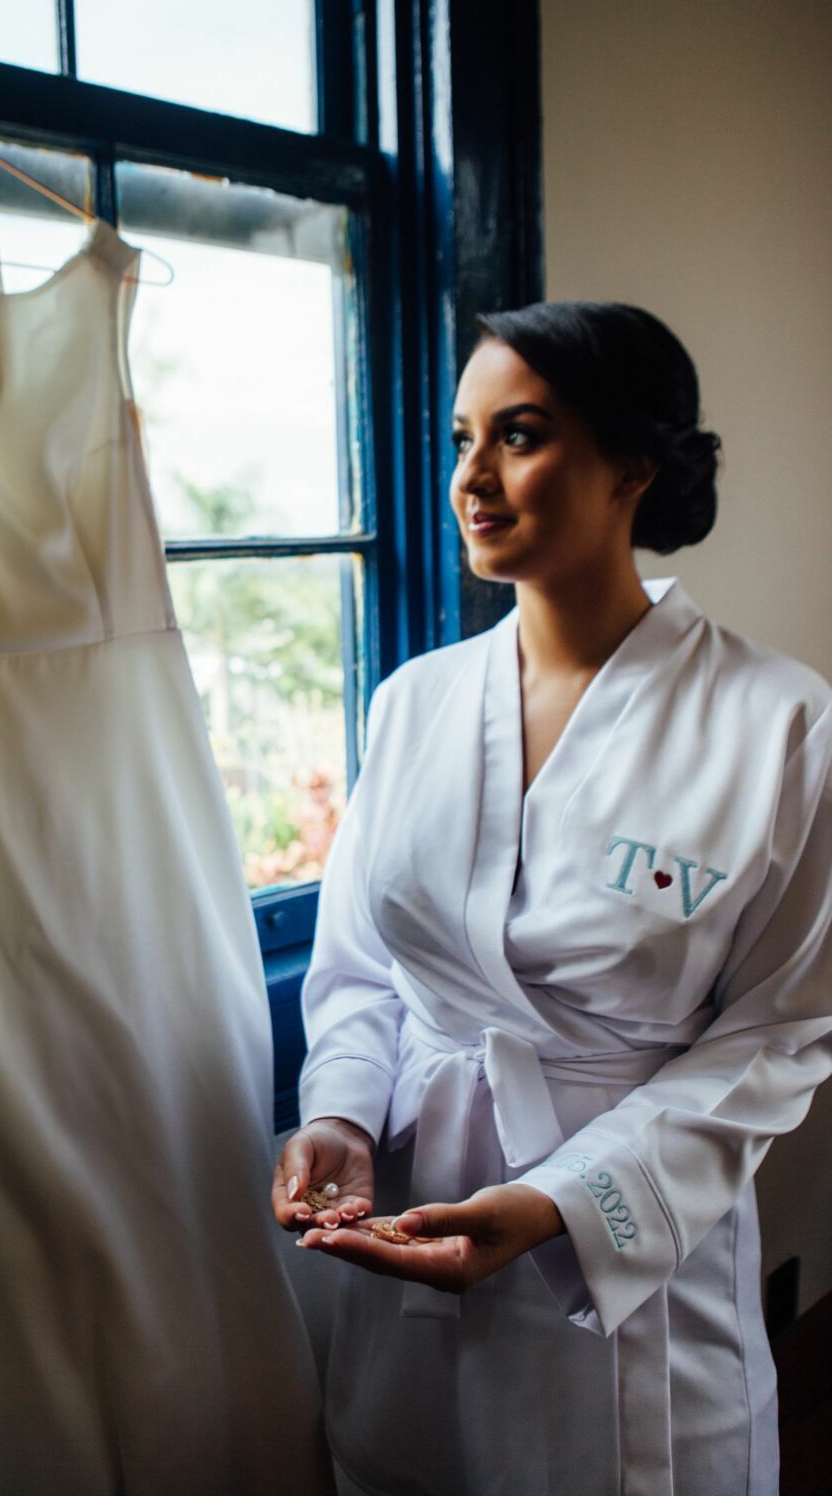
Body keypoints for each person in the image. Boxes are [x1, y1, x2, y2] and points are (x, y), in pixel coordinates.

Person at [272, 301, 832, 1496]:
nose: (470, 476)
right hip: (409, 1211)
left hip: (631, 1236)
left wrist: (558, 1203)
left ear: (632, 465)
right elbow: (362, 966)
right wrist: (342, 1117)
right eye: (460, 438)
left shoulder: (779, 724)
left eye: (517, 435)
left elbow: (777, 1032)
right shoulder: (412, 704)